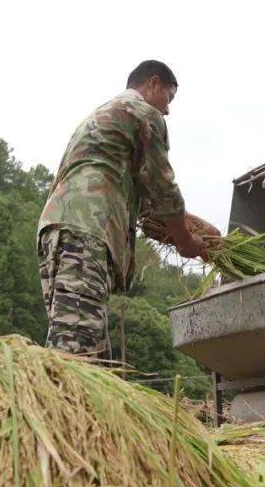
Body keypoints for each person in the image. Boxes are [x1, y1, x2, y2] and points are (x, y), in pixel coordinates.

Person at [37, 60, 207, 356]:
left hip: (60, 229)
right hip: (86, 229)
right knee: (74, 352)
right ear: (153, 83)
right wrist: (187, 242)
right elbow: (163, 189)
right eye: (169, 97)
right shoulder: (144, 113)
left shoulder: (107, 115)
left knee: (91, 348)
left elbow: (142, 198)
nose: (167, 109)